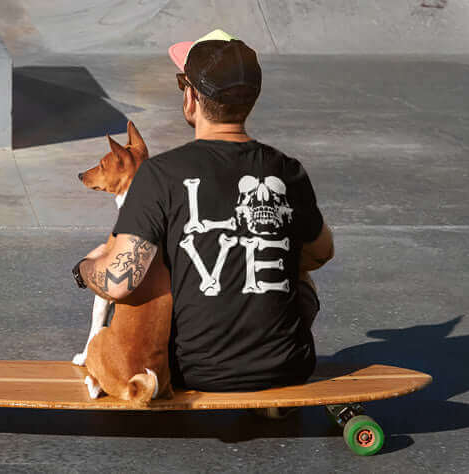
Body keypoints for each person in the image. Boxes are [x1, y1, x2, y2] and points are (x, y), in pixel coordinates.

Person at [75, 29, 334, 393]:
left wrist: (84, 268)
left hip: (191, 371)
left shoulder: (159, 175)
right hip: (289, 366)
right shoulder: (287, 170)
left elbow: (119, 282)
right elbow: (321, 252)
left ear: (191, 97)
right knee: (301, 275)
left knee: (153, 274)